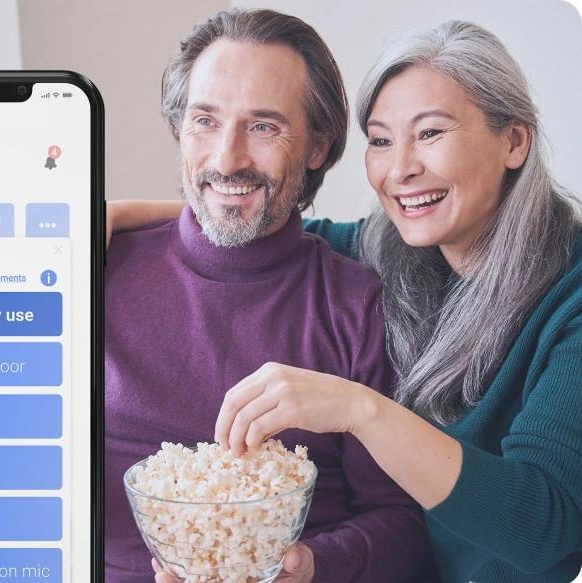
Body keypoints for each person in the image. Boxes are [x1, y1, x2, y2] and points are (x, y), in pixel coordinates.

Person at [110, 19, 582, 583]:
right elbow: (258, 221)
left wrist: (360, 411)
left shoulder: (565, 302)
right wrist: (109, 215)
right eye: (381, 140)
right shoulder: (390, 250)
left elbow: (546, 530)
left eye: (430, 133)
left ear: (514, 141)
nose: (401, 168)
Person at [105, 8, 432, 583]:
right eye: (205, 121)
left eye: (263, 127)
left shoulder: (357, 306)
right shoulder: (97, 268)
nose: (227, 159)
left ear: (316, 145)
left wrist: (311, 565)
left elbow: (402, 523)